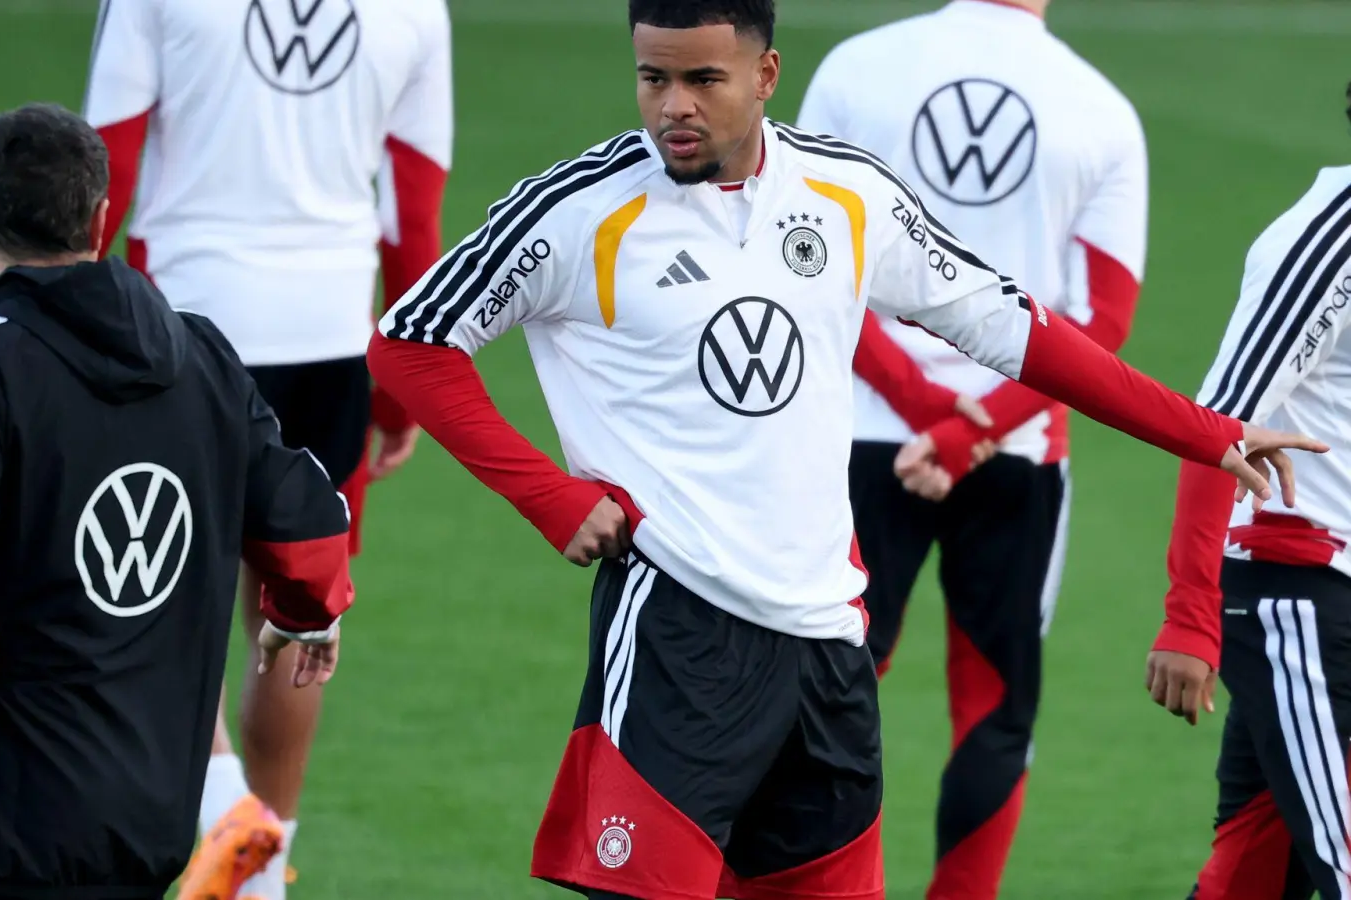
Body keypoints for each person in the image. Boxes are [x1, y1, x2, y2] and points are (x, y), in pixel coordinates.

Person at [365, 2, 1320, 898]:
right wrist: (548, 495)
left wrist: (1211, 432)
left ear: (767, 72)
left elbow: (1019, 330)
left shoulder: (846, 192)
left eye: (704, 78)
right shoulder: (579, 210)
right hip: (675, 631)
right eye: (652, 78)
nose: (674, 107)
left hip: (827, 645)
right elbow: (410, 341)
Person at [0, 103, 354, 900]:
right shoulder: (201, 355)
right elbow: (310, 517)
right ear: (101, 217)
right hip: (147, 825)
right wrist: (305, 608)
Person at [82, 0, 452, 896]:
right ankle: (261, 873)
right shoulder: (416, 7)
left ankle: (224, 815)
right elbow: (413, 208)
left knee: (159, 597)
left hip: (183, 326)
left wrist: (77, 333)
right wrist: (399, 391)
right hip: (330, 333)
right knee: (301, 609)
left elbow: (104, 165)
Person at [795, 2, 1148, 895]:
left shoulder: (854, 66)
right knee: (994, 710)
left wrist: (923, 409)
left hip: (859, 437)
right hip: (1019, 446)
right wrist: (973, 427)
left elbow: (804, 264)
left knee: (818, 695)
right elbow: (1100, 321)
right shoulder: (1101, 107)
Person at [1147, 89, 1351, 900]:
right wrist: (1189, 616)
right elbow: (1215, 427)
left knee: (1254, 876)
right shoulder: (1329, 241)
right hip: (1297, 598)